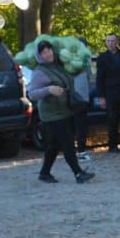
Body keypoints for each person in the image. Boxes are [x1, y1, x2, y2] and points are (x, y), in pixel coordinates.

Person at [26, 39, 94, 184]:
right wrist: (48, 89)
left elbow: (74, 73)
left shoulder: (59, 65)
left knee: (54, 145)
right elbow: (32, 94)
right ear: (39, 56)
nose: (48, 54)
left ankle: (44, 173)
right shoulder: (40, 72)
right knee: (68, 142)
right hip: (51, 114)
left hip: (65, 109)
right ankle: (78, 173)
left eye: (49, 50)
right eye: (44, 52)